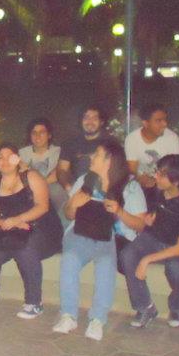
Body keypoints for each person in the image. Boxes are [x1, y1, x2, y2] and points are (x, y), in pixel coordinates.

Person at [53, 140, 146, 341]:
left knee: (106, 265)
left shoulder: (129, 186)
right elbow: (69, 214)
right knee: (69, 259)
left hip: (109, 236)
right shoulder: (85, 180)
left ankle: (97, 319)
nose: (91, 157)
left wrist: (119, 211)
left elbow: (140, 225)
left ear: (109, 160)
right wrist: (73, 205)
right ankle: (68, 315)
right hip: (80, 231)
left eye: (96, 154)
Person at [120, 154, 179, 329]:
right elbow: (154, 210)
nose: (156, 176)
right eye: (157, 171)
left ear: (176, 181)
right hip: (156, 237)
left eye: (161, 174)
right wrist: (151, 219)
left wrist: (147, 260)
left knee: (175, 268)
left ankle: (177, 306)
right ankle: (145, 307)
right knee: (127, 254)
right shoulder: (159, 189)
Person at [0, 143, 62, 319]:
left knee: (25, 248)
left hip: (42, 229)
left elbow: (42, 206)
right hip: (12, 230)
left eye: (9, 156)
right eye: (0, 157)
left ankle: (34, 302)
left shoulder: (31, 177)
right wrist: (5, 223)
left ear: (17, 159)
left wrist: (17, 220)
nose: (4, 161)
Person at [125, 103, 179, 211]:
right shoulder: (132, 139)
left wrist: (157, 180)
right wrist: (140, 178)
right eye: (158, 121)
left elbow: (176, 167)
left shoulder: (171, 138)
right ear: (145, 123)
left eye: (165, 120)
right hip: (140, 180)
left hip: (164, 180)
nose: (164, 124)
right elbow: (132, 168)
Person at [57, 105, 116, 193]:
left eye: (95, 118)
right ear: (81, 121)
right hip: (74, 185)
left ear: (101, 122)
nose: (90, 122)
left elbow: (115, 170)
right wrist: (68, 187)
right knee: (54, 190)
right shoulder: (70, 142)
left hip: (101, 186)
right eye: (86, 118)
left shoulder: (110, 142)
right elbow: (62, 169)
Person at [19, 118, 68, 213]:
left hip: (51, 187)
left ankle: (64, 218)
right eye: (34, 133)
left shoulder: (58, 152)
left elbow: (58, 173)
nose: (37, 136)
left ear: (49, 135)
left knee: (56, 190)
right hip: (30, 188)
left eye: (42, 132)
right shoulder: (22, 153)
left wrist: (40, 185)